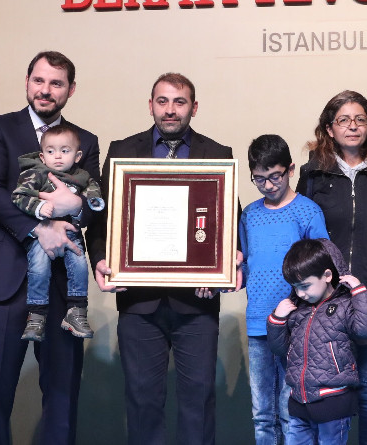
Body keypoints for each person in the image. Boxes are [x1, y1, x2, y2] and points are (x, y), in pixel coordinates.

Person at [88, 72, 239, 445]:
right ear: (151, 105)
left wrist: (226, 263)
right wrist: (101, 260)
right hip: (140, 302)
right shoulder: (122, 151)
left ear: (194, 107)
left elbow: (230, 224)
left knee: (198, 401)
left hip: (197, 303)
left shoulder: (217, 154)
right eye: (162, 101)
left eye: (179, 102)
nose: (170, 110)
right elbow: (100, 220)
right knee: (142, 402)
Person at [0, 50, 100, 445]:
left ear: (70, 90)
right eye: (39, 81)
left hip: (62, 286)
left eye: (56, 83)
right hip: (3, 282)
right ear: (27, 82)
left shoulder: (86, 141)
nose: (45, 90)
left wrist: (79, 206)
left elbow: (95, 206)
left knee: (62, 398)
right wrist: (36, 228)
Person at [295, 90, 367, 445]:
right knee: (327, 398)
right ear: (329, 128)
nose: (352, 126)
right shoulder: (312, 175)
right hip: (324, 306)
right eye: (343, 120)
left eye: (360, 119)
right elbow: (302, 238)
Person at [239, 134, 329, 444]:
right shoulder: (249, 215)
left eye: (275, 176)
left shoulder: (308, 211)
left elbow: (322, 268)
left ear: (290, 169)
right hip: (258, 325)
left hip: (298, 327)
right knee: (262, 414)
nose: (268, 185)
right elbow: (244, 265)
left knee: (292, 412)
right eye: (259, 179)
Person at [268, 239, 367, 445]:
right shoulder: (297, 309)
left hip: (334, 402)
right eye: (295, 286)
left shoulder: (345, 305)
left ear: (327, 275)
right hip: (299, 401)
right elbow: (279, 348)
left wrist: (359, 291)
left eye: (305, 286)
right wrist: (277, 320)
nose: (300, 293)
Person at [11, 123, 103, 341]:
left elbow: (94, 197)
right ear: (42, 157)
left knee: (80, 265)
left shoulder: (82, 176)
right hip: (42, 234)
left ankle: (76, 311)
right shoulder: (36, 173)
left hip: (71, 231)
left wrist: (93, 203)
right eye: (51, 151)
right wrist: (39, 207)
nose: (58, 157)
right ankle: (36, 314)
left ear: (77, 155)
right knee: (39, 268)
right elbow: (19, 195)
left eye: (65, 151)